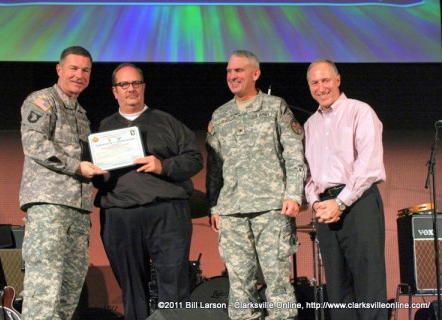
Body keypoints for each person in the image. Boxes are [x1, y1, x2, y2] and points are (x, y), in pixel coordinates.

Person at [93, 63, 203, 320]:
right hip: (120, 214)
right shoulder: (104, 129)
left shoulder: (167, 122)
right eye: (124, 84)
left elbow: (194, 158)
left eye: (135, 83)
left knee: (174, 288)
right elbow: (97, 176)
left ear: (143, 87)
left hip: (166, 213)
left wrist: (162, 165)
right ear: (114, 91)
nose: (130, 89)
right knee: (131, 288)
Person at [206, 50, 306, 320]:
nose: (232, 76)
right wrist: (214, 207)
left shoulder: (274, 107)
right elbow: (215, 167)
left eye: (238, 70)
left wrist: (294, 194)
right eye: (229, 71)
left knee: (278, 283)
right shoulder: (221, 115)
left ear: (255, 73)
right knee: (239, 287)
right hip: (231, 211)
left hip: (272, 208)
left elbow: (294, 153)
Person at [19, 46, 107, 319]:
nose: (79, 75)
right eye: (74, 68)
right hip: (50, 206)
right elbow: (33, 143)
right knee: (43, 289)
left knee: (69, 291)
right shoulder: (43, 100)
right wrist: (76, 165)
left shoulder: (81, 113)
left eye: (85, 70)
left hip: (79, 209)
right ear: (59, 69)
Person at [304, 59, 387, 319]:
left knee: (368, 282)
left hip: (359, 202)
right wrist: (316, 203)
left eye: (325, 80)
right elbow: (308, 175)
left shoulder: (360, 111)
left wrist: (340, 203)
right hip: (325, 211)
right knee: (337, 290)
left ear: (338, 80)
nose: (321, 87)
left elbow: (368, 166)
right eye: (314, 83)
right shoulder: (309, 125)